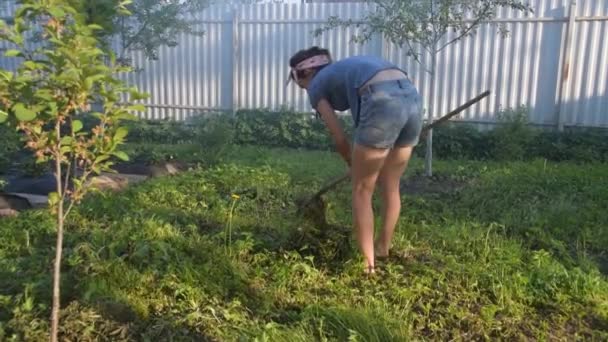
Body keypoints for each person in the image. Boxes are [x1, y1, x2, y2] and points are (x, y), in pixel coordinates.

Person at [286, 46, 423, 275]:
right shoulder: (344, 70)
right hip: (410, 95)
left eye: (296, 79)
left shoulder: (317, 85)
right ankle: (382, 248)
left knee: (362, 189)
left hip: (380, 99)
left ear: (306, 72)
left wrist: (353, 163)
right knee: (390, 186)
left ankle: (366, 265)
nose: (300, 86)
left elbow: (339, 136)